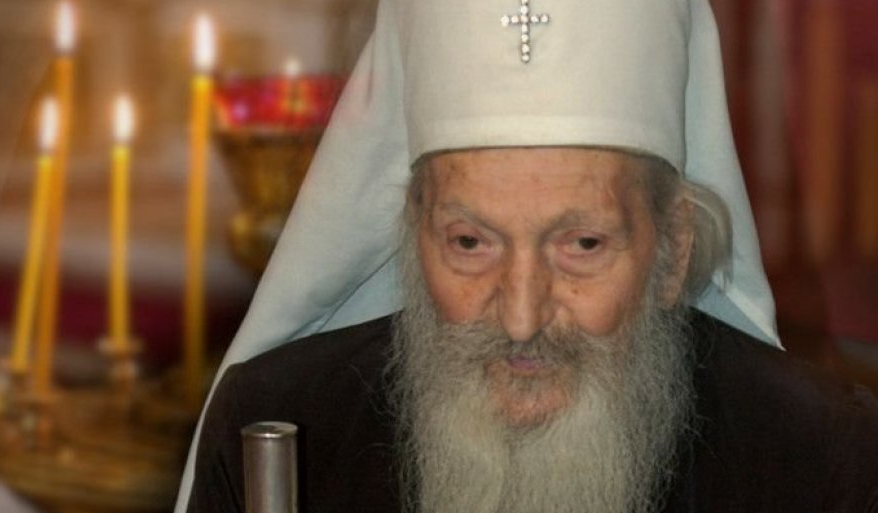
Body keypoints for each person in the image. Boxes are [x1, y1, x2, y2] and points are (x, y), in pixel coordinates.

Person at [177, 0, 878, 511]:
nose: (520, 317)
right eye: (470, 243)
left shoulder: (819, 456)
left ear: (672, 250)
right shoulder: (279, 421)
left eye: (583, 245)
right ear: (412, 232)